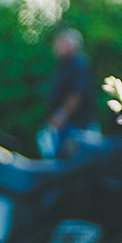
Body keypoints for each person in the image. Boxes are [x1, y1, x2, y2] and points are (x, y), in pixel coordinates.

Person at [42, 28, 95, 158]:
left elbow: (77, 94)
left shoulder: (79, 64)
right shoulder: (64, 65)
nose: (57, 46)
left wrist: (61, 115)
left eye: (62, 42)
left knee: (72, 160)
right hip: (66, 125)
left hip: (76, 125)